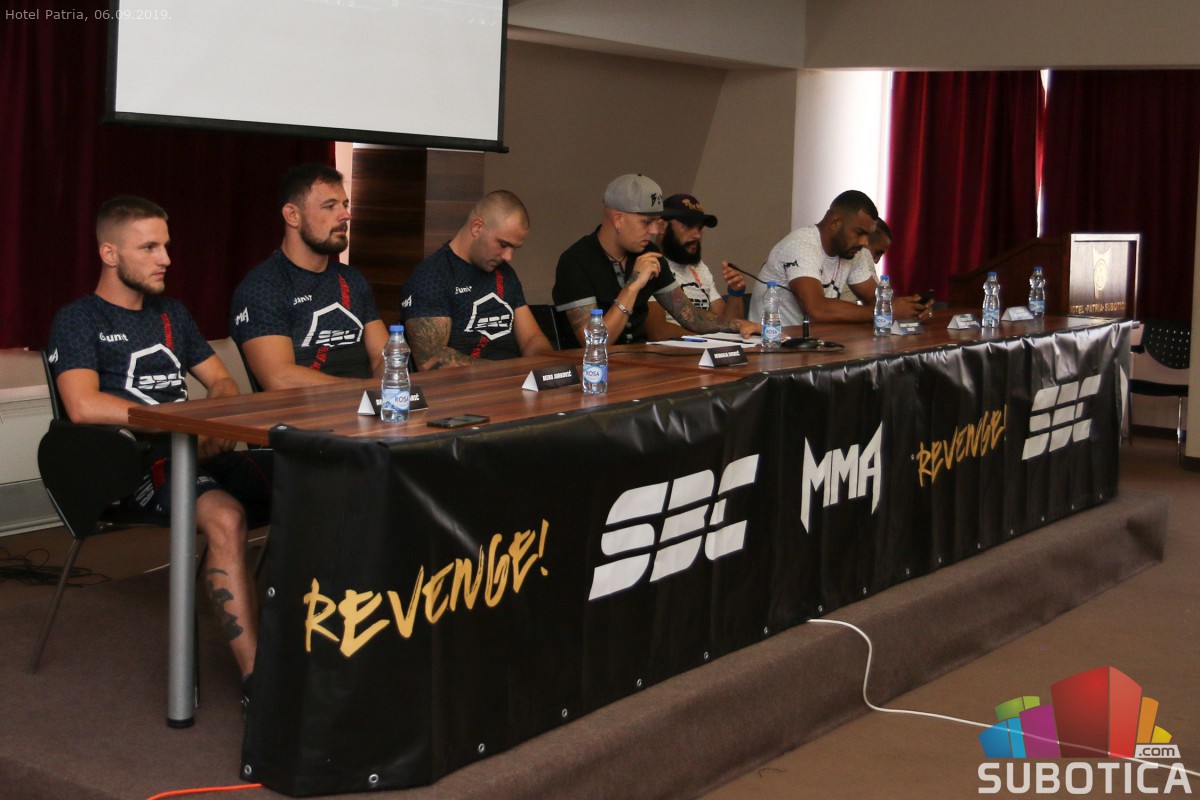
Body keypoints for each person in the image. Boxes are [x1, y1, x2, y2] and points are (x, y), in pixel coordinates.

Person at [47, 195, 271, 694]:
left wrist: (211, 424)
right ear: (109, 254)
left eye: (165, 246)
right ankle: (259, 682)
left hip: (196, 448)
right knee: (226, 518)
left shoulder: (173, 313)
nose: (165, 259)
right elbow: (82, 405)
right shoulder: (79, 319)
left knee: (319, 480)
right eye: (149, 248)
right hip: (133, 466)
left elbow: (223, 382)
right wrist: (182, 424)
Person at [230, 163, 388, 390]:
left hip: (365, 405)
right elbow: (279, 379)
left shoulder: (353, 279)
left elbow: (383, 358)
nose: (345, 215)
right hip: (304, 410)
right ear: (293, 215)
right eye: (329, 206)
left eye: (345, 205)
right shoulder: (263, 287)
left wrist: (393, 384)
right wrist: (361, 391)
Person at [552, 174, 759, 346]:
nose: (654, 230)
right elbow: (594, 344)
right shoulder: (575, 261)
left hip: (642, 365)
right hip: (592, 373)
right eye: (646, 222)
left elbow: (691, 317)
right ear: (618, 219)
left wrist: (737, 325)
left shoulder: (649, 253)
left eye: (656, 222)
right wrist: (632, 287)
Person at [401, 190, 552, 370]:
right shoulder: (431, 277)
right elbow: (432, 362)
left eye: (514, 248)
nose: (508, 256)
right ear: (477, 227)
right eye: (503, 244)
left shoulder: (505, 273)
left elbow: (531, 339)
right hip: (468, 385)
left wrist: (547, 365)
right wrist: (507, 372)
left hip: (515, 379)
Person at [749, 191, 928, 325]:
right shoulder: (801, 245)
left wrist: (911, 309)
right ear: (835, 223)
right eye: (859, 232)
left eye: (867, 235)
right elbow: (817, 309)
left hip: (816, 345)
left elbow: (876, 300)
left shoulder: (852, 251)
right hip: (774, 346)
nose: (864, 242)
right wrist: (884, 312)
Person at [644, 193, 749, 341]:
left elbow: (728, 324)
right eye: (688, 226)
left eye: (699, 228)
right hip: (671, 351)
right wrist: (708, 340)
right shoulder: (648, 263)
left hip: (704, 347)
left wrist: (735, 293)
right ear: (661, 226)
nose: (697, 235)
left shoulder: (700, 268)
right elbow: (658, 332)